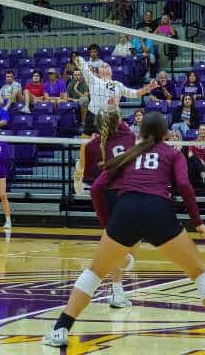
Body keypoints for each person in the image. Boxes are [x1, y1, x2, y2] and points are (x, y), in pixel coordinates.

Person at [43, 112, 205, 350]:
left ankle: (60, 329)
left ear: (141, 132)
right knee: (199, 272)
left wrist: (108, 226)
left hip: (125, 211)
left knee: (95, 272)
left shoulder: (129, 153)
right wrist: (197, 221)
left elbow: (96, 187)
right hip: (158, 211)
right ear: (166, 134)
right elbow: (185, 184)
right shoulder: (173, 153)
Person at [74, 55, 157, 193]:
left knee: (108, 155)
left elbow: (134, 93)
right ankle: (80, 171)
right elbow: (83, 68)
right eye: (103, 66)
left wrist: (147, 89)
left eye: (108, 66)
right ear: (99, 71)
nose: (105, 67)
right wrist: (79, 59)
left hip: (112, 121)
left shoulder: (118, 85)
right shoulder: (94, 80)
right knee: (86, 155)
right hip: (94, 119)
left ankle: (110, 184)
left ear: (112, 71)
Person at [81, 105, 137, 307]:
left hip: (106, 196)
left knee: (117, 244)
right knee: (129, 242)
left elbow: (90, 179)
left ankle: (118, 292)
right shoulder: (129, 138)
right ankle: (123, 267)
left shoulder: (91, 146)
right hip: (128, 193)